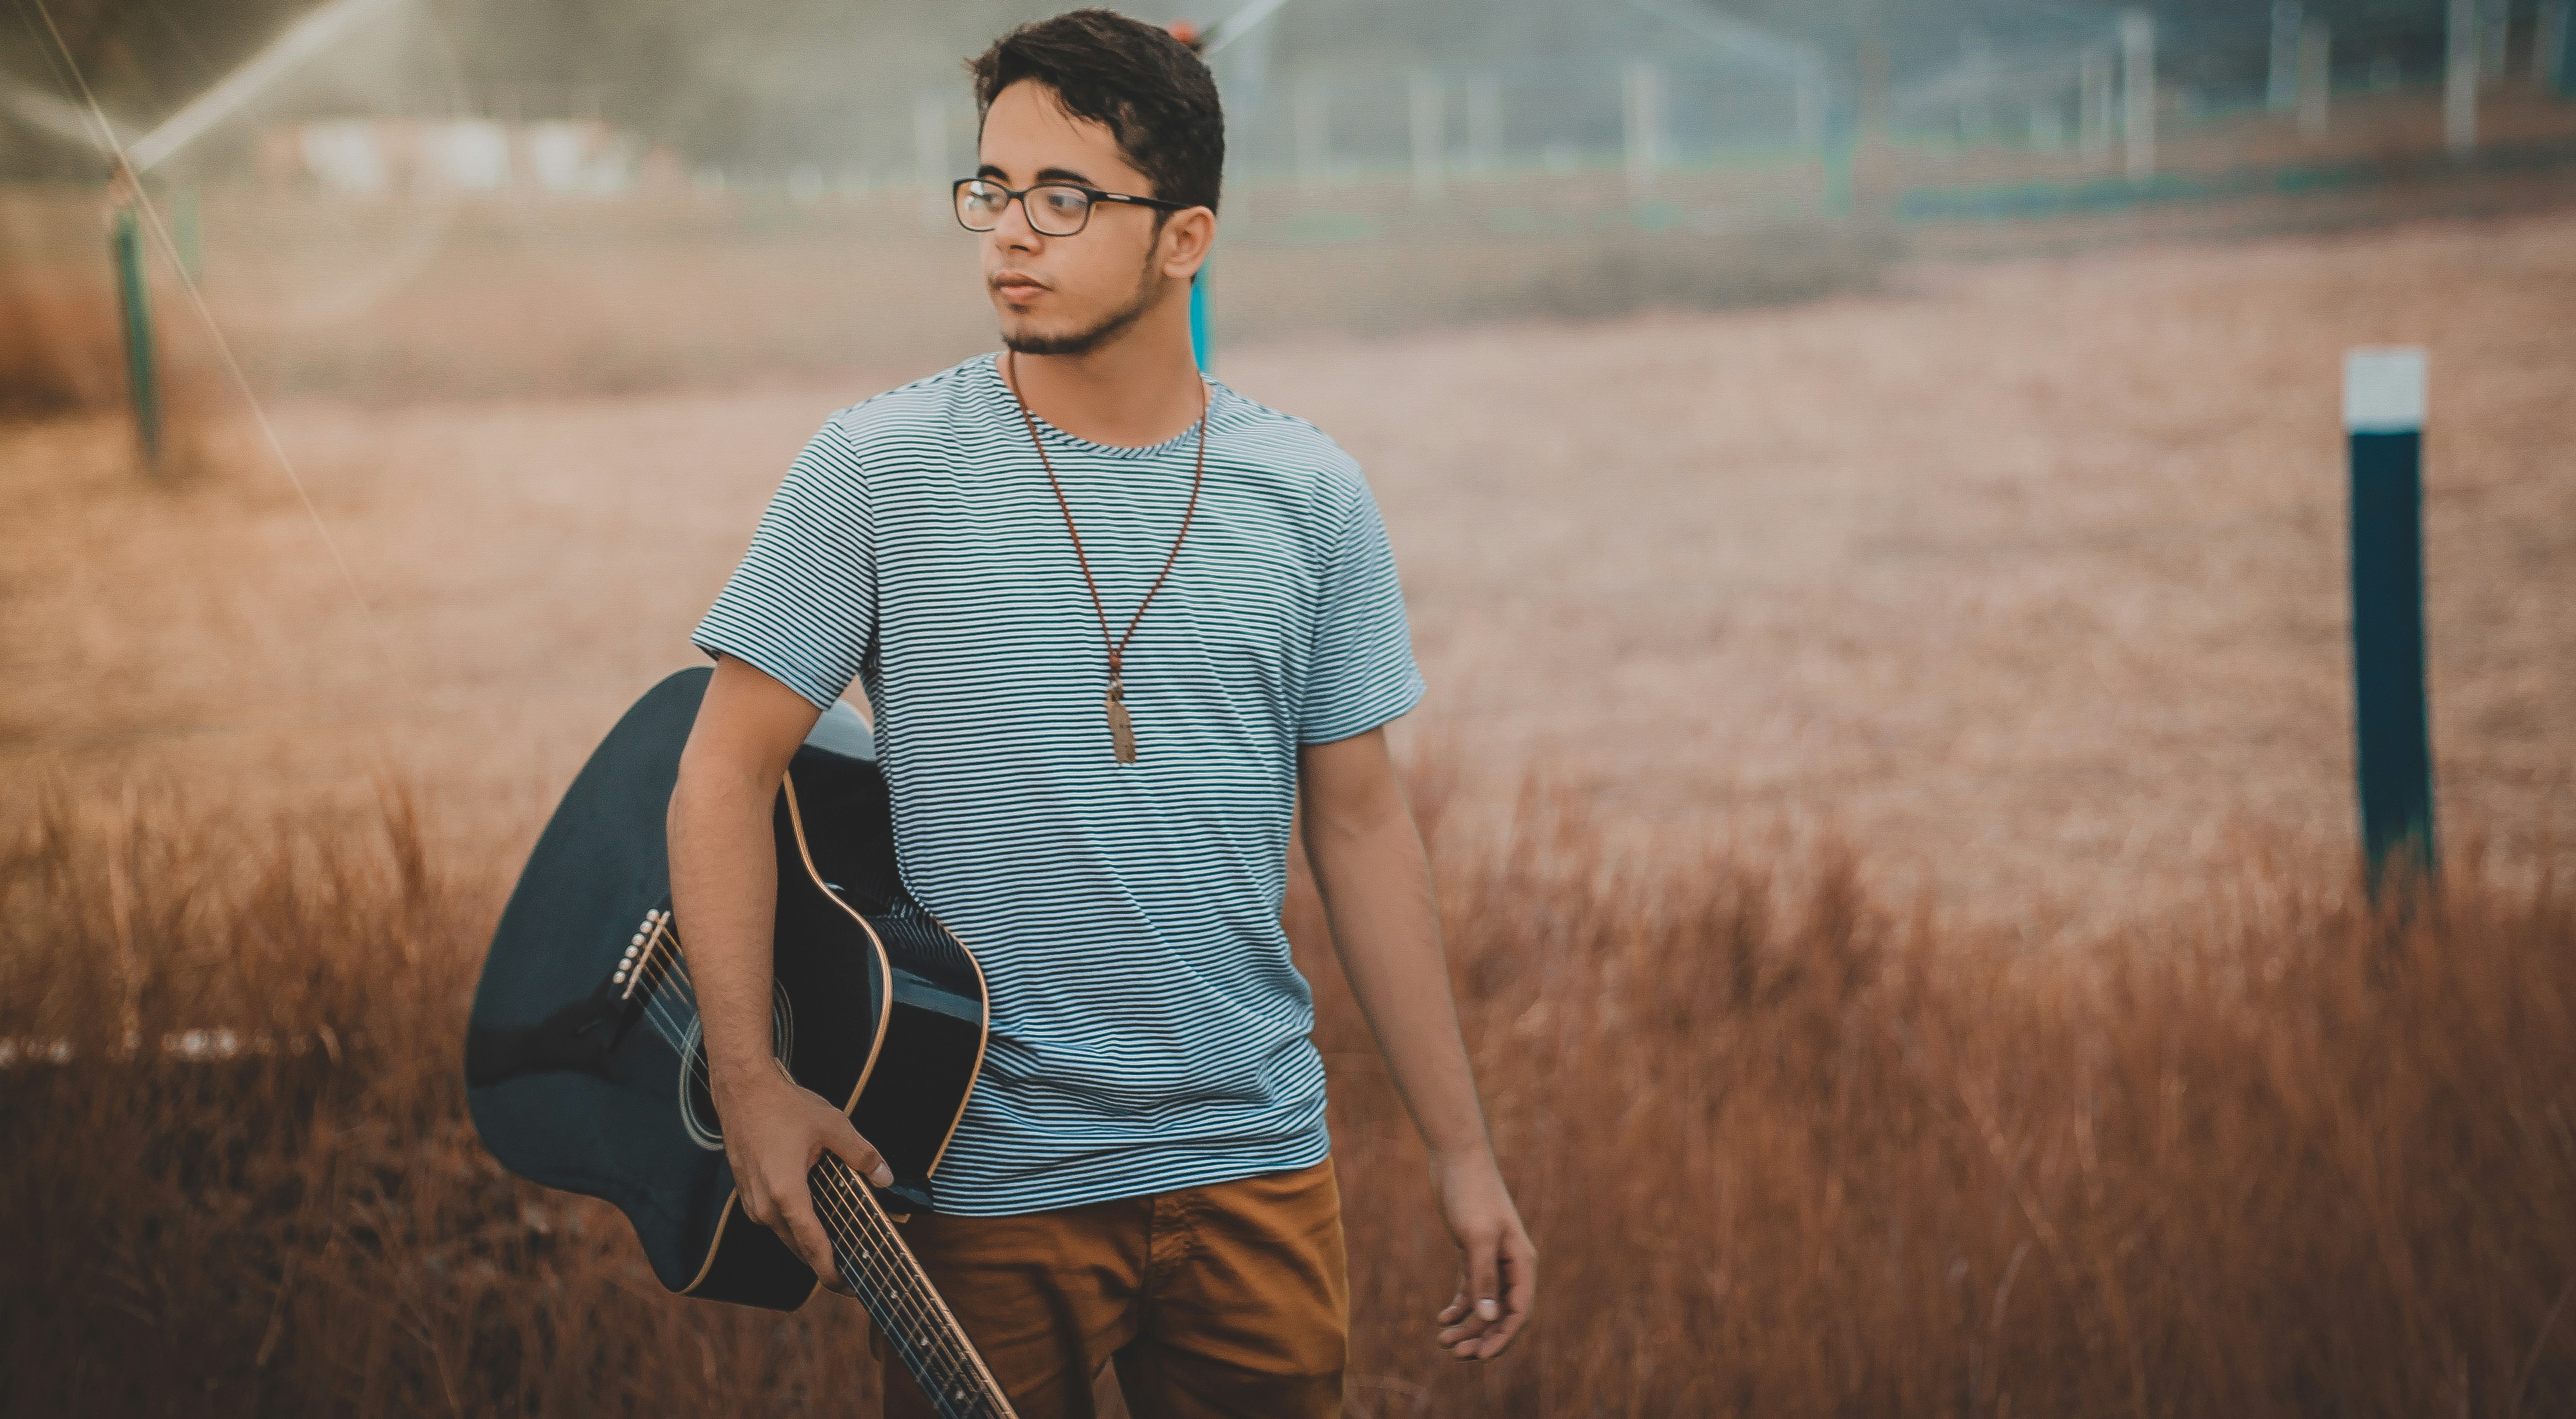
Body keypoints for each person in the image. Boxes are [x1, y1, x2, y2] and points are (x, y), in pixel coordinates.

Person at [665, 11, 1534, 1415]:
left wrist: (1462, 1152)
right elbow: (719, 772)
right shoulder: (876, 470)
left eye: (1064, 199)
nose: (1011, 232)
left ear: (1183, 240)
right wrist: (752, 1080)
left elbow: (1366, 829)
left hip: (1257, 1171)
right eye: (993, 189)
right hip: (979, 1189)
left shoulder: (1310, 496)